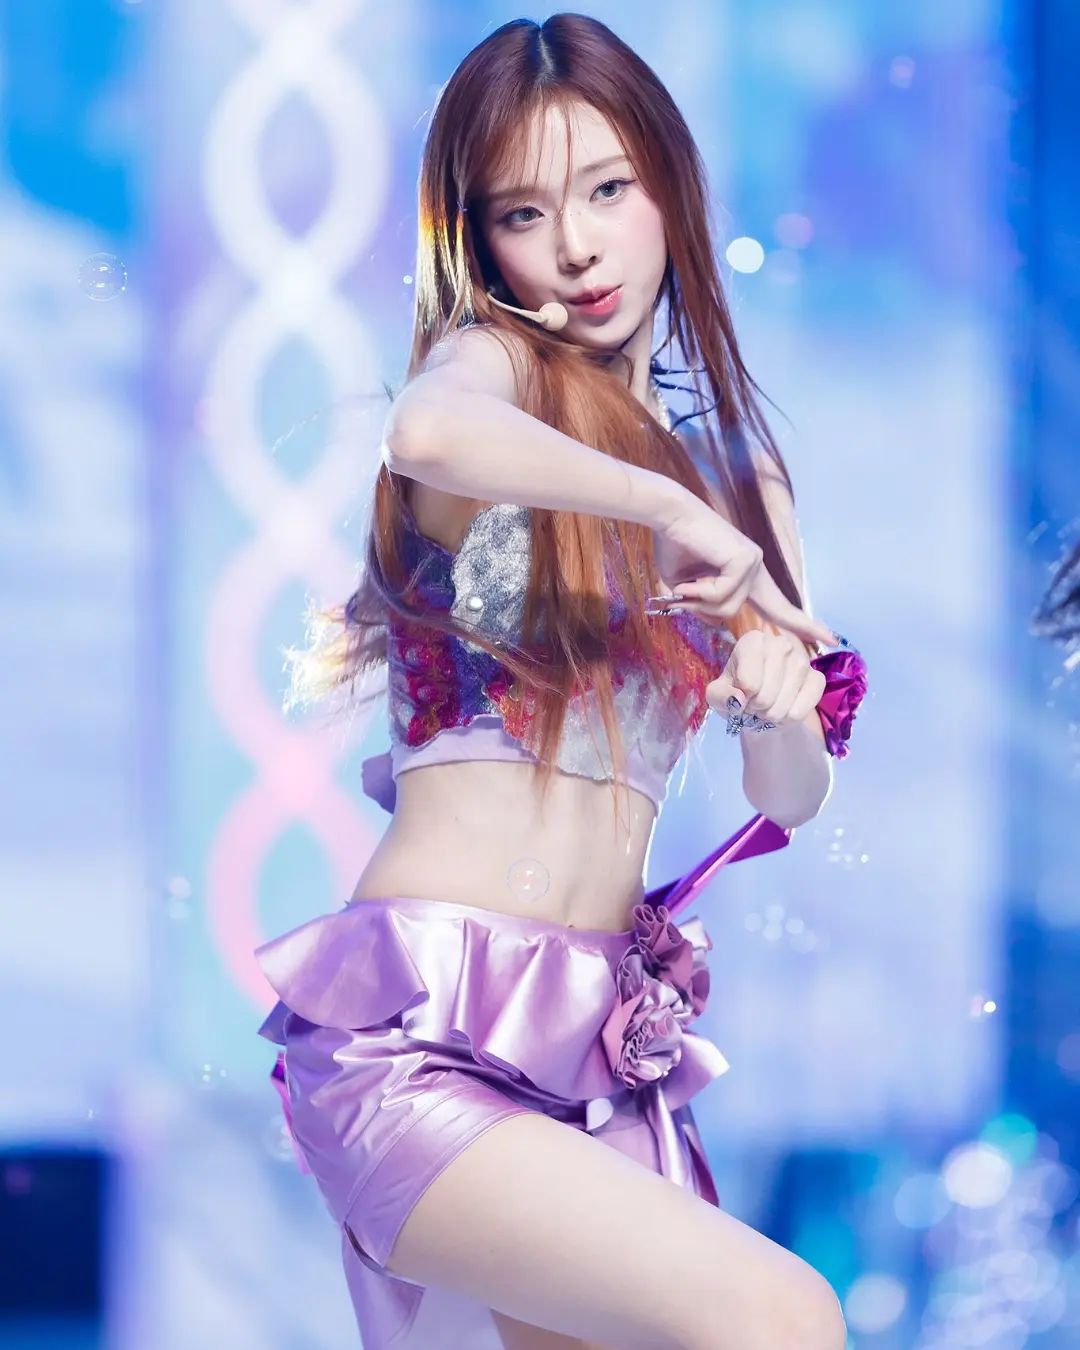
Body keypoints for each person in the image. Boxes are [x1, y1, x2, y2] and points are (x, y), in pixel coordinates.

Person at [254, 14, 867, 1350]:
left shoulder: (742, 478)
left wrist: (776, 702)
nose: (577, 247)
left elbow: (791, 795)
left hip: (599, 1049)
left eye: (607, 189)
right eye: (524, 213)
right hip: (422, 1035)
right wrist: (663, 503)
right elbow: (425, 429)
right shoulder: (494, 373)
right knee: (785, 1314)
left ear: (670, 190)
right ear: (480, 242)